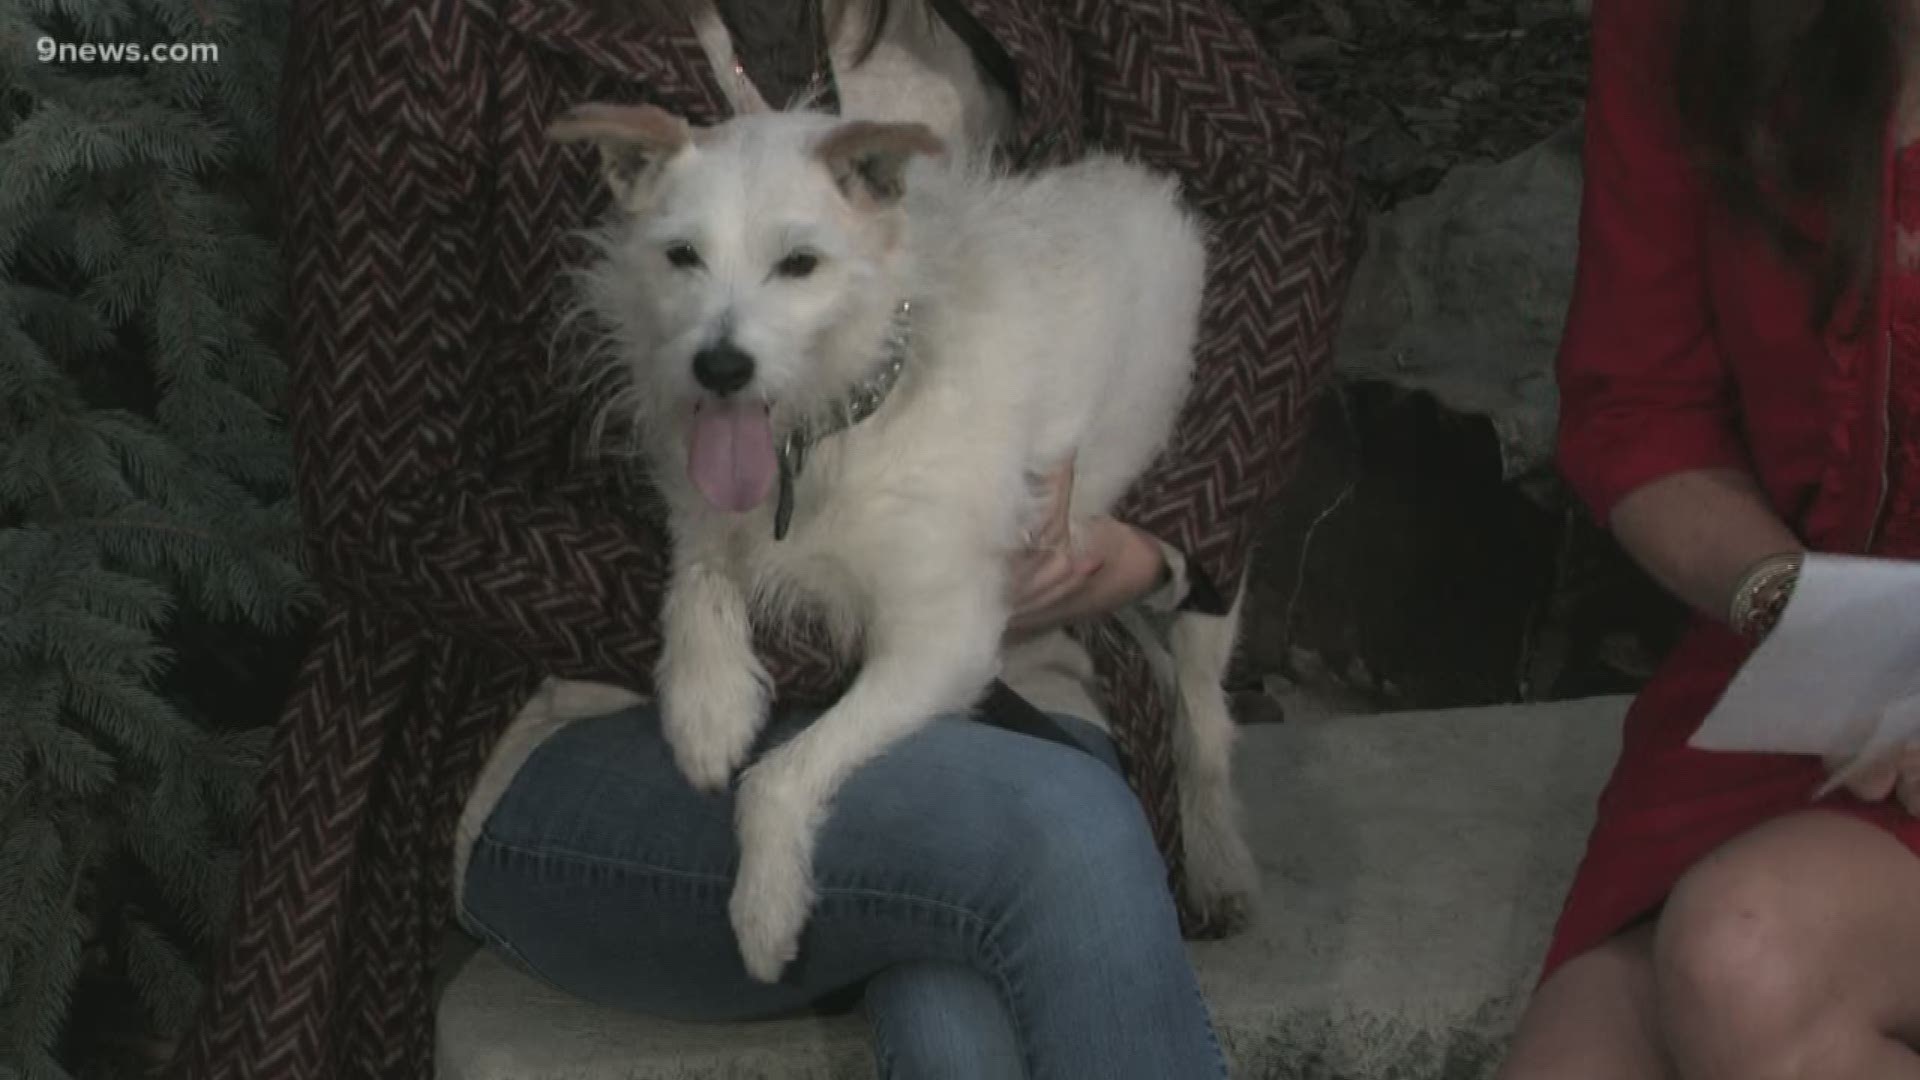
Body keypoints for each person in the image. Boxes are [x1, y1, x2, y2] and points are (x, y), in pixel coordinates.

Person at [162, 2, 1358, 1078]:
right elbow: (391, 514)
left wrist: (1167, 529)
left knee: (964, 1009)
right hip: (573, 716)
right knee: (1049, 838)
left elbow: (1277, 184)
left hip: (998, 683)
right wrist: (796, 615)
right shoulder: (416, 26)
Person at [1497, 1, 1920, 1077]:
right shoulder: (1689, 24)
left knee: (1748, 957)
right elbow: (1640, 404)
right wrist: (1802, 614)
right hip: (1809, 692)